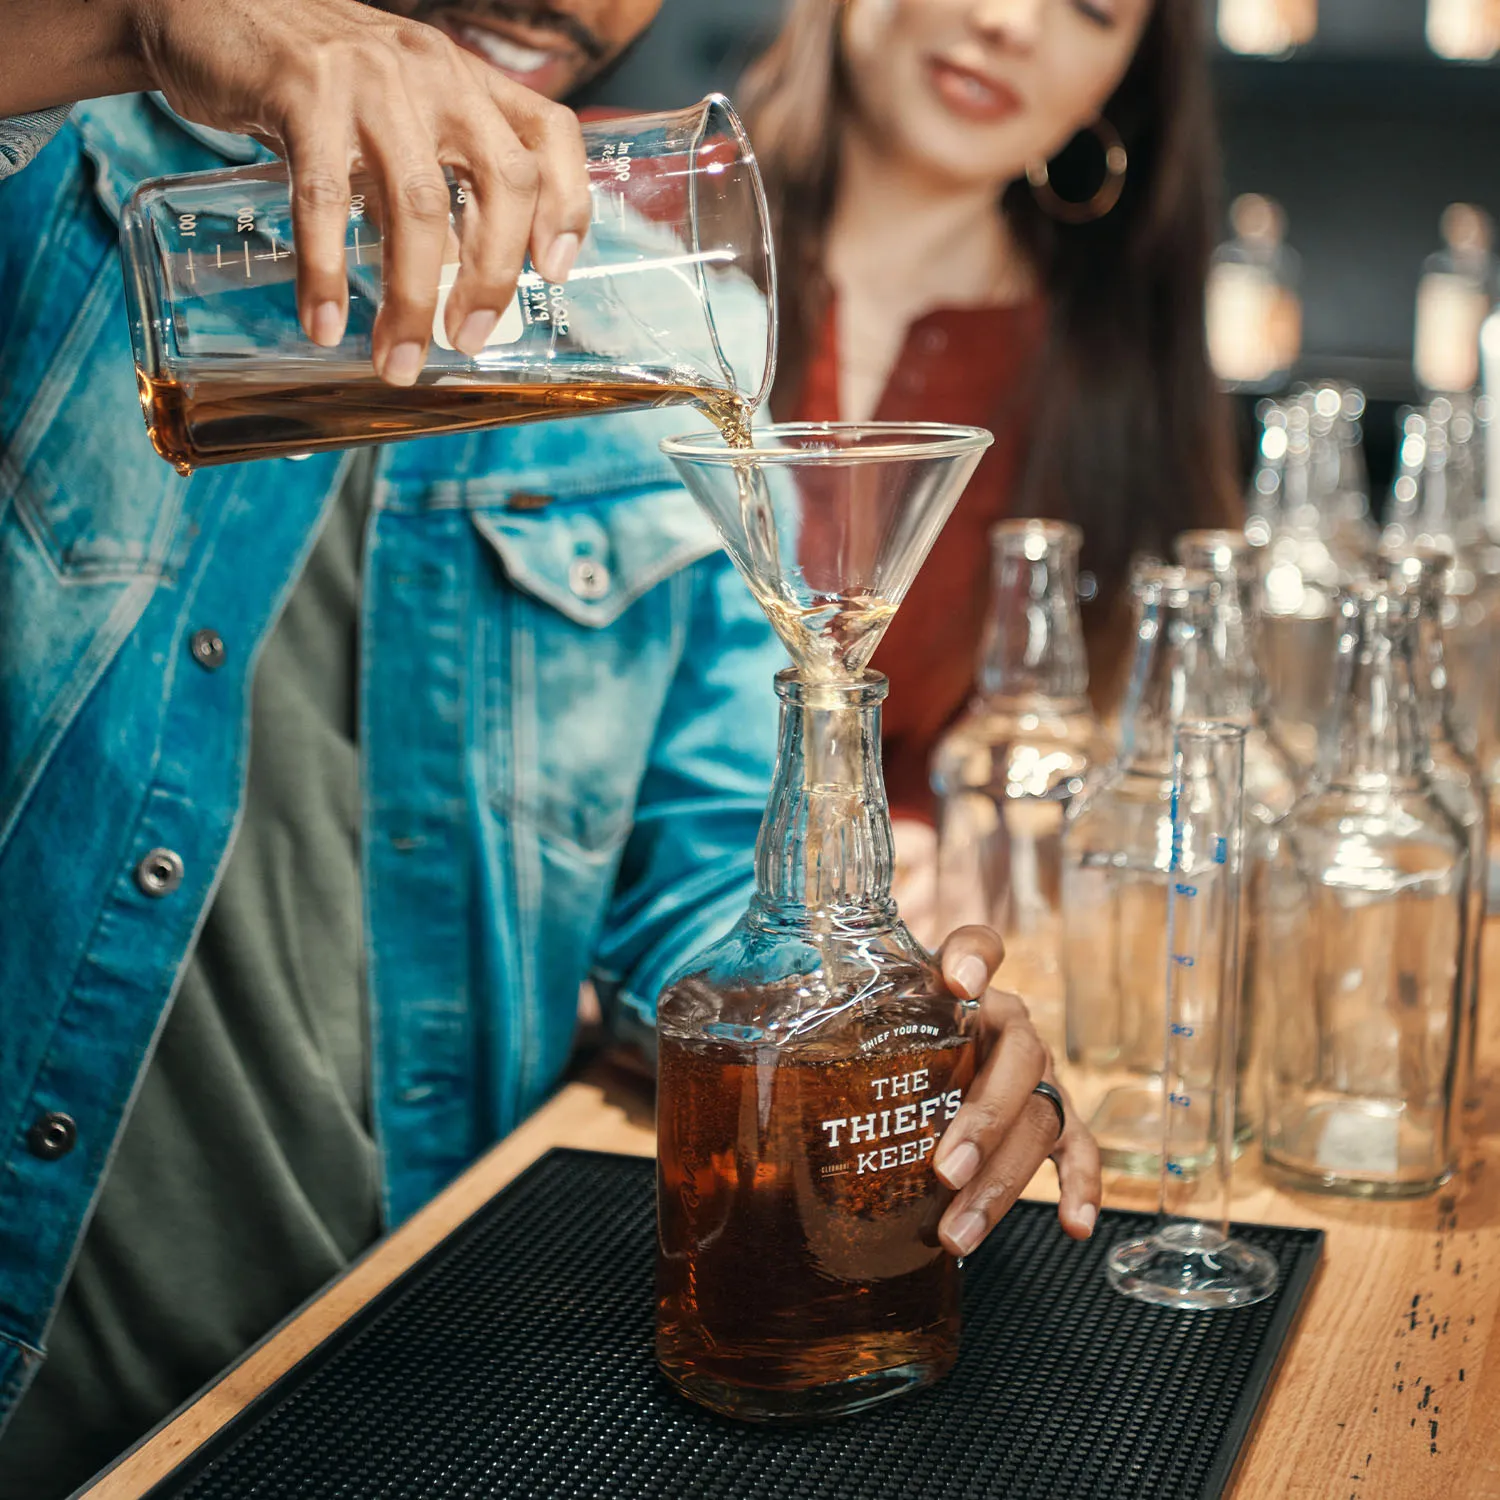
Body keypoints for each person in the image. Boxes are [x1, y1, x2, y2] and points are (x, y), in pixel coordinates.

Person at [0, 3, 1100, 1492]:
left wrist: (874, 1033)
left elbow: (695, 889)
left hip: (392, 1361)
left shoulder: (652, 310)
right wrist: (133, 21)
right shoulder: (56, 168)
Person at [741, 0, 1241, 826]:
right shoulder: (611, 225)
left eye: (1094, 9)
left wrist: (977, 858)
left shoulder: (1113, 386)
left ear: (1125, 76)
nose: (1011, 21)